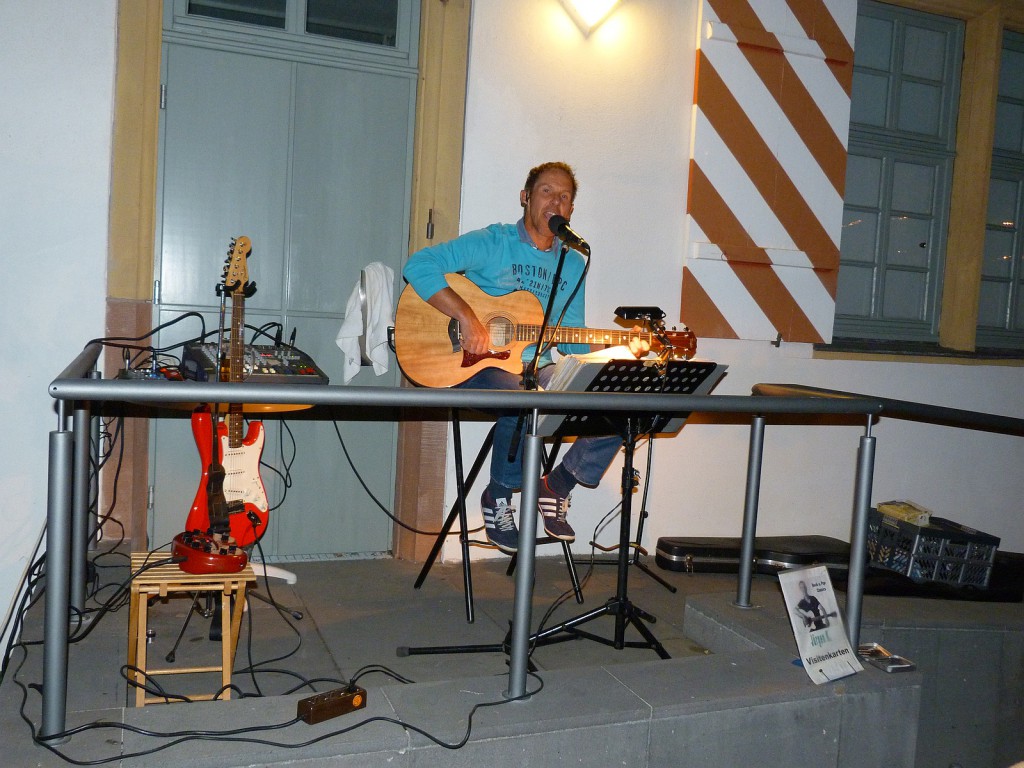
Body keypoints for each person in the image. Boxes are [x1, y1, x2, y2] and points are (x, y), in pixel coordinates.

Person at [402, 161, 647, 553]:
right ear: (526, 197)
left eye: (565, 197)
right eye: (548, 191)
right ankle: (498, 496)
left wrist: (612, 352)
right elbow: (419, 265)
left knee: (618, 397)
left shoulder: (574, 263)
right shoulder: (494, 242)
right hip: (473, 364)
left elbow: (574, 341)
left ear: (570, 210)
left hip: (537, 370)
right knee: (523, 394)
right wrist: (466, 317)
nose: (556, 201)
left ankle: (558, 484)